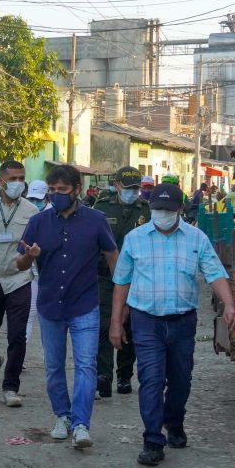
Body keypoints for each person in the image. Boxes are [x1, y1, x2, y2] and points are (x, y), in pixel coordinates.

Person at [110, 182, 235, 466]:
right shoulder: (135, 239)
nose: (162, 214)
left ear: (181, 209)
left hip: (183, 322)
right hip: (146, 321)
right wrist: (116, 322)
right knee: (151, 379)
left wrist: (229, 303)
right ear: (150, 208)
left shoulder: (196, 238)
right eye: (157, 209)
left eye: (168, 209)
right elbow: (121, 282)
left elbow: (214, 272)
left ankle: (174, 420)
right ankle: (153, 440)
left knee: (181, 379)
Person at [17, 164, 118, 449]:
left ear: (76, 190)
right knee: (53, 366)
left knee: (86, 365)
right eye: (52, 190)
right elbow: (20, 262)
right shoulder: (38, 222)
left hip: (85, 303)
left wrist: (121, 294)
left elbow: (112, 256)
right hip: (50, 305)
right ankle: (61, 416)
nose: (56, 195)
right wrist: (29, 256)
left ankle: (81, 424)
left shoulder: (96, 220)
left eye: (62, 190)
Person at [0, 160, 38, 407]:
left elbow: (34, 245)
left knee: (17, 335)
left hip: (19, 279)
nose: (18, 183)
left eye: (21, 178)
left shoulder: (32, 211)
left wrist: (32, 257)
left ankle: (11, 387)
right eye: (13, 179)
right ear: (1, 181)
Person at [93, 166, 150, 398]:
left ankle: (124, 374)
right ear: (116, 185)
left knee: (131, 326)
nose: (132, 192)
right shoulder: (102, 207)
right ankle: (103, 374)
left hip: (138, 277)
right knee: (105, 324)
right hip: (106, 276)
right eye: (128, 188)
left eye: (136, 188)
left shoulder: (147, 210)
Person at [24, 180, 50, 342]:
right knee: (29, 314)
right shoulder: (26, 213)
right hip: (33, 274)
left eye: (38, 200)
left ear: (47, 197)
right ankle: (19, 358)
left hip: (51, 276)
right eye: (31, 199)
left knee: (49, 320)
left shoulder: (54, 215)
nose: (34, 203)